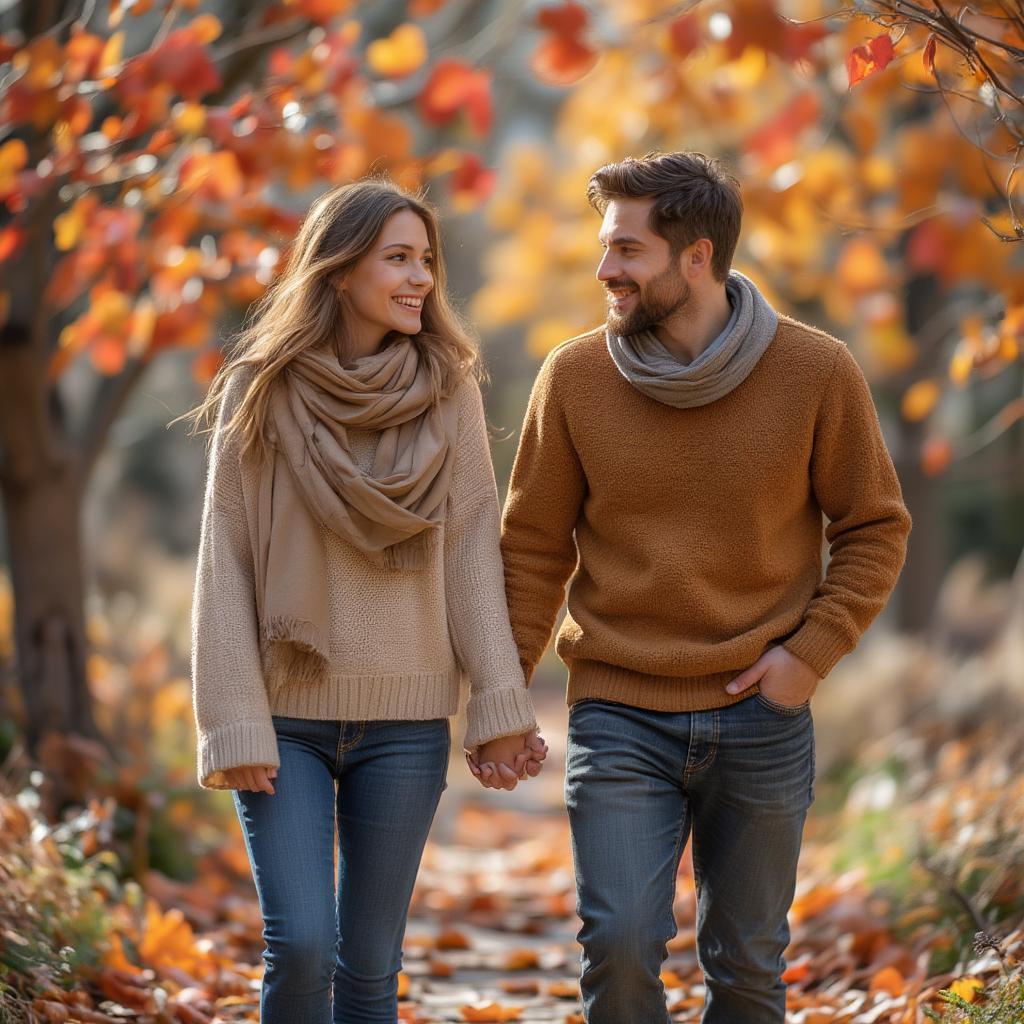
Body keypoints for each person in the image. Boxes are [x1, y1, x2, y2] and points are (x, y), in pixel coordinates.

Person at [494, 152, 912, 1023]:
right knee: (617, 941)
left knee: (750, 965)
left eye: (627, 250)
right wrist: (501, 698)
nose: (604, 269)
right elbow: (531, 549)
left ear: (697, 256)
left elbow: (874, 527)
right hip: (618, 707)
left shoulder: (816, 372)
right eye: (605, 247)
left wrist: (810, 655)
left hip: (761, 709)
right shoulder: (573, 378)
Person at [185, 179, 547, 1024]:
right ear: (340, 271)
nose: (421, 277)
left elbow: (468, 555)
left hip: (406, 727)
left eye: (427, 260)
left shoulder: (449, 391)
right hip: (286, 720)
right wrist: (232, 720)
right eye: (398, 258)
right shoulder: (260, 390)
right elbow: (224, 561)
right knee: (303, 946)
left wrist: (499, 704)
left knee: (371, 968)